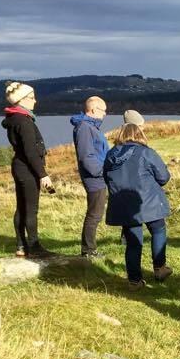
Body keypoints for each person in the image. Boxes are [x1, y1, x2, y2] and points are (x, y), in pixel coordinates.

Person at [103, 123, 172, 288]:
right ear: (139, 134)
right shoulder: (146, 153)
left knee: (133, 242)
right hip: (148, 202)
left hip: (124, 205)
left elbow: (106, 178)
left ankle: (134, 281)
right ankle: (159, 268)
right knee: (158, 230)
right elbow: (163, 177)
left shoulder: (110, 155)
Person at [2, 81, 54, 258]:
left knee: (22, 207)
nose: (35, 101)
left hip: (19, 166)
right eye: (31, 98)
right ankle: (33, 246)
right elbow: (31, 152)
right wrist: (43, 174)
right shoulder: (24, 121)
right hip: (27, 168)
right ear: (21, 100)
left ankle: (21, 246)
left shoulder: (15, 118)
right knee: (31, 209)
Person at [70, 96, 110, 258]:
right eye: (103, 110)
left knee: (96, 213)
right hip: (95, 179)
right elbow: (86, 157)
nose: (105, 114)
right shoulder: (85, 128)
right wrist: (101, 172)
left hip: (98, 176)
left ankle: (89, 249)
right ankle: (88, 250)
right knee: (94, 214)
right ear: (93, 110)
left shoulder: (90, 126)